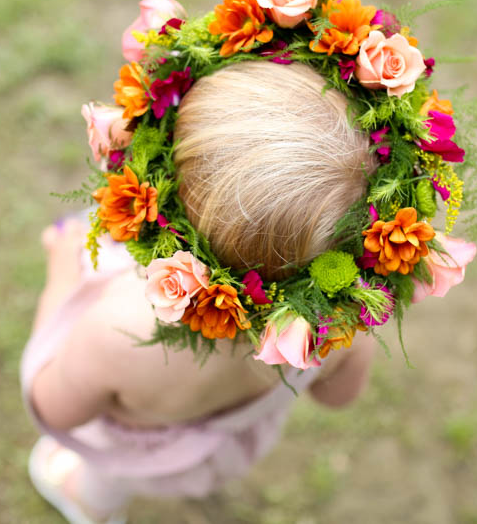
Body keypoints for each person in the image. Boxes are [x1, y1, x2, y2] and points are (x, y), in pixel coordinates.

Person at [23, 62, 378, 524]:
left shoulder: (117, 330)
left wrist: (60, 279)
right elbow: (338, 397)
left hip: (138, 455)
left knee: (104, 475)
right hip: (227, 447)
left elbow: (54, 404)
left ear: (163, 202)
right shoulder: (339, 323)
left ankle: (91, 502)